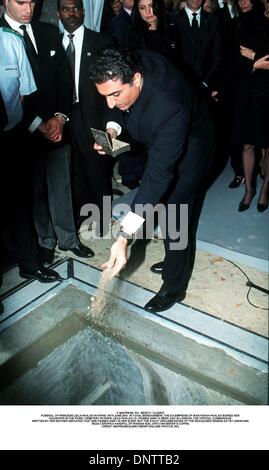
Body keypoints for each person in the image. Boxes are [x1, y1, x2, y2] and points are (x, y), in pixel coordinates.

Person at [89, 47, 215, 312]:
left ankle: (174, 285)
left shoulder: (169, 106)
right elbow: (118, 109)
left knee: (175, 213)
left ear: (136, 79)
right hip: (157, 133)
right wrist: (113, 130)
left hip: (194, 148)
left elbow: (157, 177)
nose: (110, 104)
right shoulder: (127, 64)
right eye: (105, 96)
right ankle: (173, 259)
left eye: (115, 95)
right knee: (160, 205)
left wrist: (123, 237)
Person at [0, 0, 93, 263]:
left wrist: (60, 118)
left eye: (32, 2)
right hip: (22, 131)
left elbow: (65, 79)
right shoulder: (1, 37)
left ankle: (68, 239)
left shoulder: (48, 32)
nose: (28, 8)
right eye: (21, 2)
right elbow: (8, 95)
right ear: (5, 1)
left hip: (56, 125)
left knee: (61, 184)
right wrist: (36, 123)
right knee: (35, 190)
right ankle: (46, 242)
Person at [0, 26, 61, 289]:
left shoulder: (11, 42)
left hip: (12, 136)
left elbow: (25, 93)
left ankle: (30, 264)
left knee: (21, 204)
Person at [57, 0, 115, 233]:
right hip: (63, 115)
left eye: (75, 9)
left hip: (96, 117)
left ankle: (103, 219)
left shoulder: (102, 42)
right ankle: (84, 216)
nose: (71, 13)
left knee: (100, 168)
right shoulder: (52, 42)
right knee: (74, 169)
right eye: (66, 9)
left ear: (83, 11)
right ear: (59, 13)